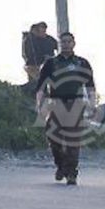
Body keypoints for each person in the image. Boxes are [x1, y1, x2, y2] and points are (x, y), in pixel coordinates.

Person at [35, 32, 95, 185]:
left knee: (73, 140)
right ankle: (61, 165)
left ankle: (71, 173)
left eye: (69, 41)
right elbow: (41, 86)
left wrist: (92, 105)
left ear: (74, 43)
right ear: (59, 44)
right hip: (56, 102)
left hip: (75, 103)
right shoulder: (51, 64)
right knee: (52, 136)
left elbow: (90, 86)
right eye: (63, 42)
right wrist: (40, 104)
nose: (66, 44)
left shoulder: (82, 63)